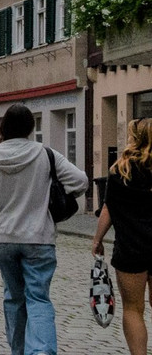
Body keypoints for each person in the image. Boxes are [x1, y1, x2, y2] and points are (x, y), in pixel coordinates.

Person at [0, 102, 88, 355]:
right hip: (38, 237)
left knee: (13, 297)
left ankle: (18, 350)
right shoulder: (45, 153)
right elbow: (80, 181)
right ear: (31, 127)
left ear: (3, 126)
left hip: (3, 238)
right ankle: (40, 352)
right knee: (38, 298)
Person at [94, 117, 152, 355]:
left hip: (130, 250)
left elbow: (108, 208)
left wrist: (97, 239)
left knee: (132, 309)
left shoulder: (120, 170)